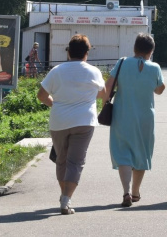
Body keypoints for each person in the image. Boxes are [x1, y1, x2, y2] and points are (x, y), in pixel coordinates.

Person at [37, 34, 106, 215]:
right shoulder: (94, 72)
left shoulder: (57, 71)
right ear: (86, 53)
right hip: (84, 121)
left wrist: (55, 103)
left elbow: (41, 96)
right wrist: (86, 95)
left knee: (62, 160)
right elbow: (102, 93)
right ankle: (66, 200)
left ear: (69, 52)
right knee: (76, 162)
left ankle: (64, 195)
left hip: (59, 121)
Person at [108, 33, 166, 207]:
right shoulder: (155, 68)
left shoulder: (122, 62)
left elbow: (109, 86)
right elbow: (160, 90)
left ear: (134, 48)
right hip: (145, 117)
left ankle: (126, 191)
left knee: (123, 152)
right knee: (141, 153)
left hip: (122, 114)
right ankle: (135, 193)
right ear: (151, 50)